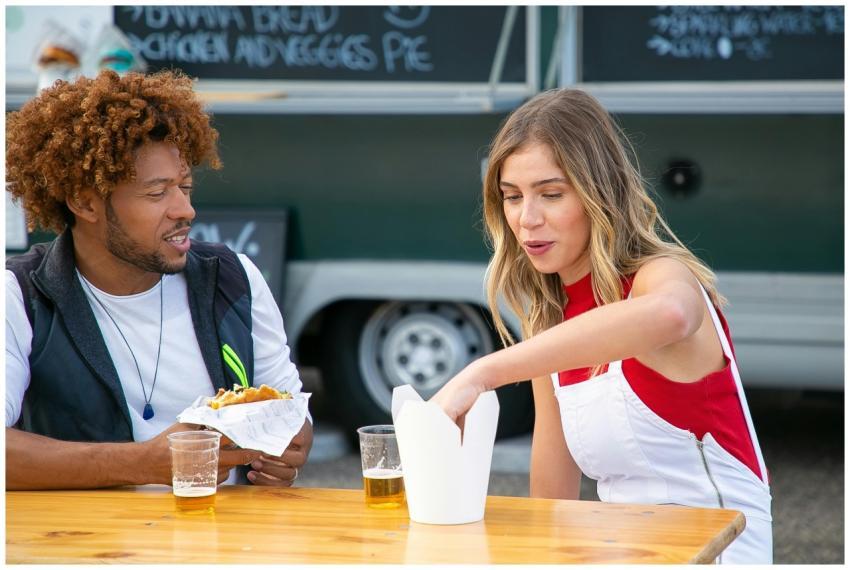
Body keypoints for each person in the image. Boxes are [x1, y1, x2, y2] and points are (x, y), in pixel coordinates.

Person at [431, 89, 772, 563]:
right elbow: (553, 499)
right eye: (512, 197)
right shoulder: (551, 318)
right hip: (621, 550)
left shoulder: (662, 276)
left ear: (599, 193)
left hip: (715, 548)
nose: (527, 220)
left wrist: (481, 373)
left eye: (551, 194)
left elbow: (672, 314)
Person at [5, 69, 312, 490]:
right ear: (84, 202)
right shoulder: (20, 296)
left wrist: (288, 447)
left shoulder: (233, 277)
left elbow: (290, 410)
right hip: (84, 548)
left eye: (185, 187)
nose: (185, 209)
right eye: (157, 193)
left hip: (222, 545)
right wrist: (143, 464)